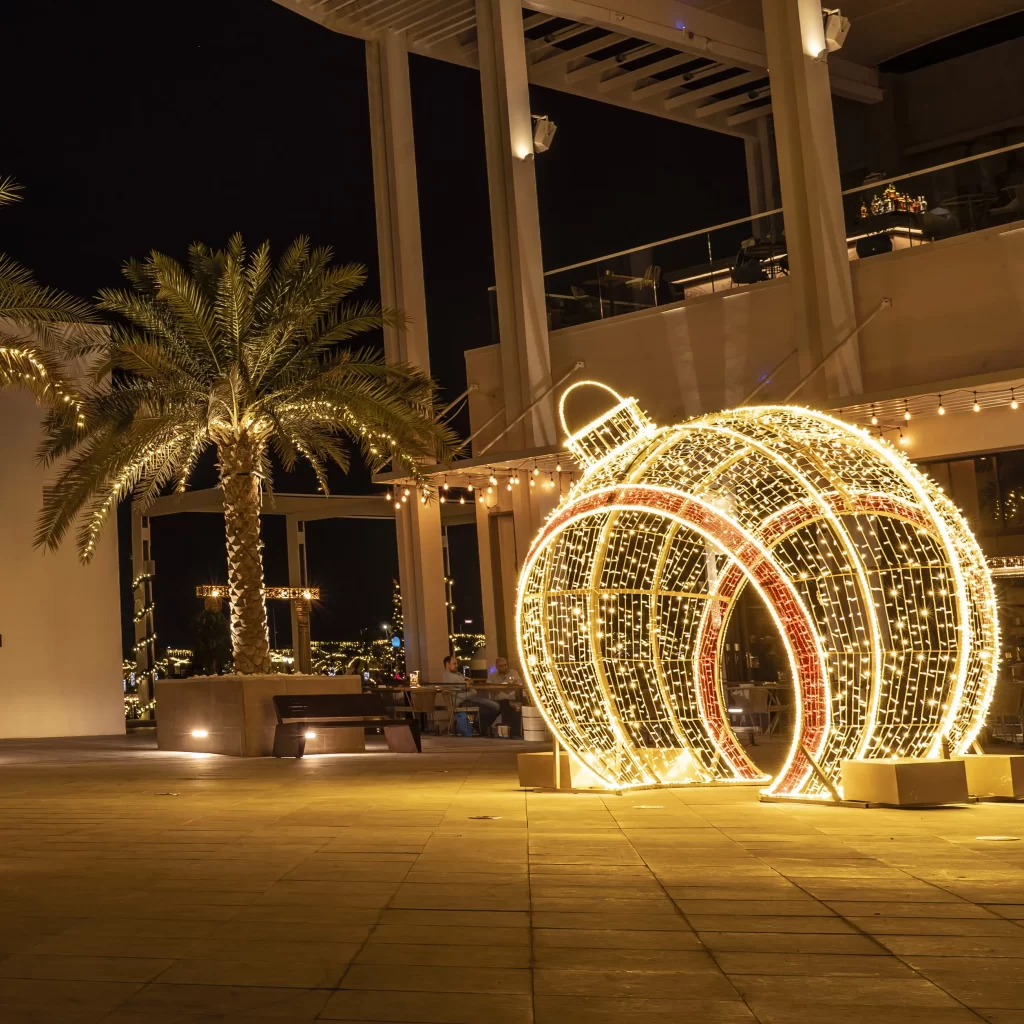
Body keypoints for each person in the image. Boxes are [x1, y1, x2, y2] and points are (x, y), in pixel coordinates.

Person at [440, 654, 499, 734]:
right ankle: (480, 728)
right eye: (454, 663)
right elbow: (465, 685)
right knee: (493, 707)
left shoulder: (457, 674)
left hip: (471, 698)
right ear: (447, 664)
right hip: (464, 701)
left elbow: (469, 680)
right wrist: (466, 683)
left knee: (495, 706)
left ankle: (479, 727)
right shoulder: (448, 676)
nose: (457, 665)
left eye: (456, 663)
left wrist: (467, 682)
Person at [488, 656, 523, 738]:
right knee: (506, 704)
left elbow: (519, 683)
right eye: (501, 666)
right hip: (500, 699)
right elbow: (489, 688)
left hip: (514, 697)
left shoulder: (513, 672)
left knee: (520, 705)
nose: (504, 667)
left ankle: (517, 732)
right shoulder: (492, 676)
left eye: (505, 665)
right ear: (497, 667)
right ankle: (509, 732)